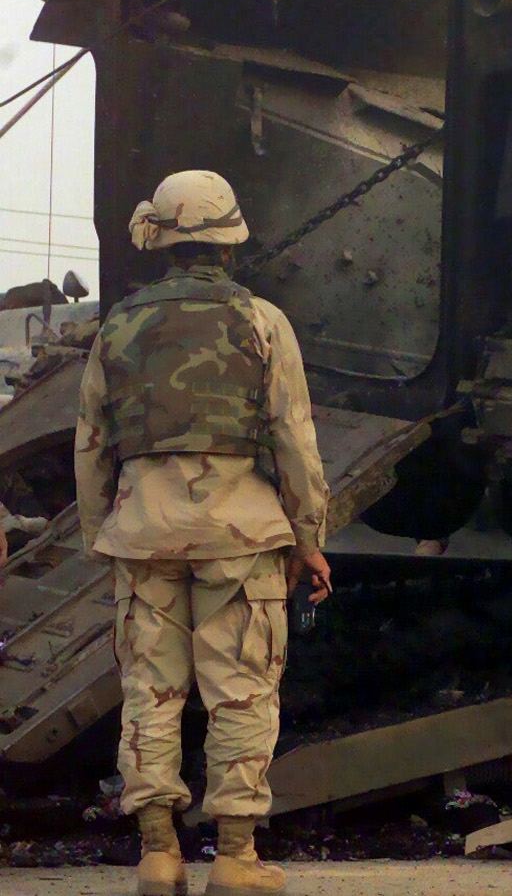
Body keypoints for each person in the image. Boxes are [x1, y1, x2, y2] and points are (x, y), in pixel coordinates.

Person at [75, 170, 331, 896]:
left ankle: (158, 855)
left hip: (143, 536)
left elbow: (92, 445)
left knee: (150, 693)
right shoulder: (262, 322)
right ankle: (236, 858)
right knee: (241, 693)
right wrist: (308, 537)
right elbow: (294, 443)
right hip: (240, 536)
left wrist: (106, 536)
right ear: (230, 240)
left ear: (163, 240)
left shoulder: (116, 326)